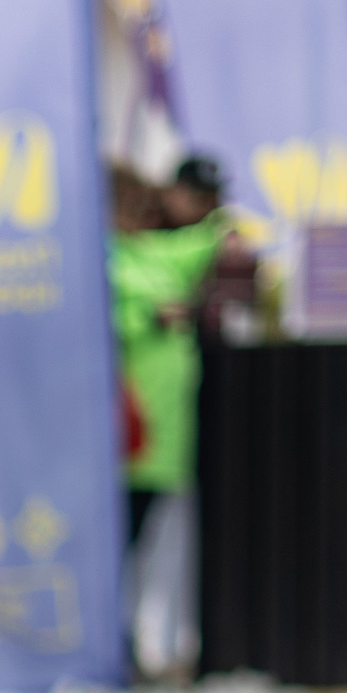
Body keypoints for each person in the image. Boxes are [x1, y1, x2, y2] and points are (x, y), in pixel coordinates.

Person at [108, 155, 233, 542]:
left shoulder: (151, 253)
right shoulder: (99, 256)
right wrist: (147, 317)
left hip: (156, 436)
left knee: (139, 545)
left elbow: (209, 239)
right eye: (132, 204)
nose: (143, 214)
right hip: (117, 430)